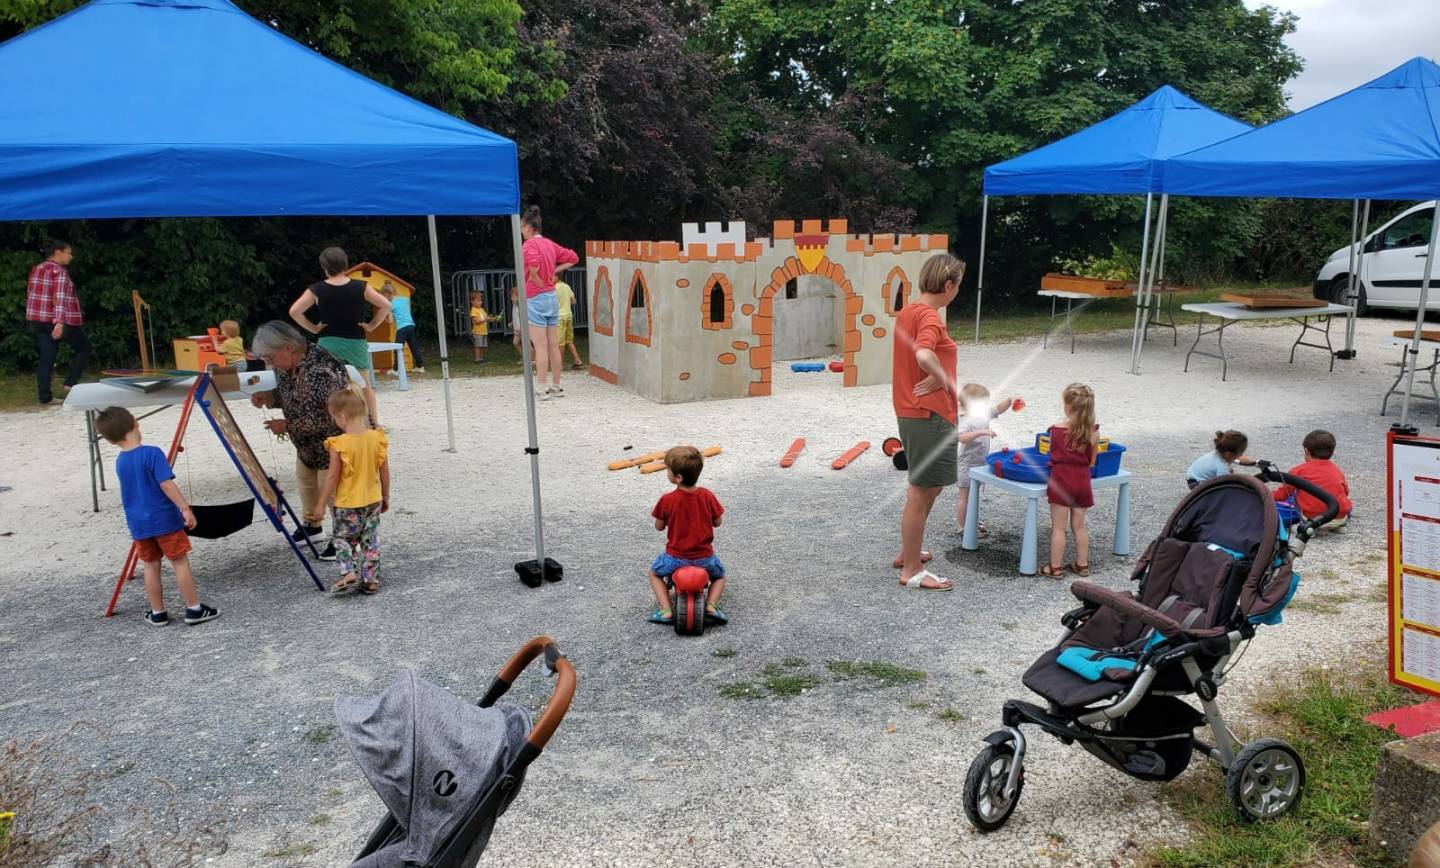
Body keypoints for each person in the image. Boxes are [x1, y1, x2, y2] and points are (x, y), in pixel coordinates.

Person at [95, 407, 219, 627]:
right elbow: (166, 484)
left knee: (150, 566)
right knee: (179, 562)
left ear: (110, 440)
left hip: (139, 524)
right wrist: (185, 508)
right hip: (164, 520)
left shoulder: (121, 461)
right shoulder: (152, 453)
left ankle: (158, 612)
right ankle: (193, 609)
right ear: (135, 423)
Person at [892, 253, 966, 591]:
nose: (958, 291)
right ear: (948, 284)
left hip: (912, 412)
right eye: (959, 285)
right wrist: (949, 384)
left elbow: (919, 356)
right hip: (929, 415)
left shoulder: (908, 311)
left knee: (926, 488)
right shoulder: (931, 318)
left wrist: (938, 376)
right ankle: (911, 570)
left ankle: (909, 551)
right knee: (921, 493)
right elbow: (923, 354)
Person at [249, 320, 352, 561]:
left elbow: (330, 419)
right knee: (307, 483)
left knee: (335, 493)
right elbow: (291, 395)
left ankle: (346, 538)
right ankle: (313, 527)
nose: (268, 363)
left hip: (334, 443)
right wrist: (270, 398)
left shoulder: (319, 370)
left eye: (270, 357)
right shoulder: (288, 365)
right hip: (307, 445)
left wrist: (286, 425)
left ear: (287, 348)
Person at [288, 246, 390, 426]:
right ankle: (373, 422)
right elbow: (385, 305)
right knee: (364, 385)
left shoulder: (316, 289)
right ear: (346, 265)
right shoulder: (361, 287)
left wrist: (313, 328)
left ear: (324, 267)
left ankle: (331, 422)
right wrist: (371, 325)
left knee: (328, 384)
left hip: (328, 341)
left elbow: (295, 311)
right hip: (355, 340)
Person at [311, 388, 390, 594]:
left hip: (348, 502)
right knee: (370, 539)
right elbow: (384, 470)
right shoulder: (376, 438)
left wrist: (320, 503)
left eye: (334, 418)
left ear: (342, 416)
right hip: (373, 499)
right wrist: (385, 495)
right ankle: (370, 580)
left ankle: (348, 572)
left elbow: (333, 476)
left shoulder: (339, 444)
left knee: (342, 539)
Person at [647, 445, 728, 625]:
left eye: (668, 470)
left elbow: (659, 527)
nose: (666, 472)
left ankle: (666, 610)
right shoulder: (707, 496)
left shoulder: (667, 500)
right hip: (704, 558)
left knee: (654, 574)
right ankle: (712, 605)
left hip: (675, 557)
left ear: (678, 477)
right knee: (720, 576)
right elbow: (718, 522)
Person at [519, 206, 580, 399]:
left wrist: (535, 275)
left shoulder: (528, 245)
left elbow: (533, 263)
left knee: (540, 345)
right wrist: (554, 270)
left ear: (529, 227)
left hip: (535, 297)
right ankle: (556, 385)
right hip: (550, 296)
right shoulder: (549, 244)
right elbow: (573, 258)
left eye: (522, 227)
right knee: (553, 344)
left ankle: (542, 387)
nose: (521, 231)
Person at [1041, 383, 1099, 579]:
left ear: (1067, 407)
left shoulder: (1055, 430)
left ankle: (1055, 567)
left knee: (1059, 527)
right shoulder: (1093, 431)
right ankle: (1082, 564)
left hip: (1061, 481)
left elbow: (1050, 454)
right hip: (1082, 481)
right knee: (1079, 526)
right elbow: (1092, 461)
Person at [25, 239, 92, 406]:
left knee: (47, 358)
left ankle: (45, 397)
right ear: (58, 252)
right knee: (83, 348)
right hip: (57, 320)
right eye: (68, 252)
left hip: (37, 320)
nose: (71, 256)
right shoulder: (59, 271)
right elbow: (59, 298)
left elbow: (32, 295)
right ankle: (71, 383)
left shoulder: (38, 268)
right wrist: (60, 322)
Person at [955, 383, 1014, 534]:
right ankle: (963, 527)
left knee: (973, 494)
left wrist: (1010, 401)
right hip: (966, 464)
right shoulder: (965, 419)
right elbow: (962, 438)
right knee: (965, 497)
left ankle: (971, 519)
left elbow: (998, 409)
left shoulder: (983, 414)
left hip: (979, 463)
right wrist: (981, 432)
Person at [1272, 429, 1353, 526]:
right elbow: (1346, 492)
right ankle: (1339, 526)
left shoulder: (1298, 470)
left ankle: (1305, 527)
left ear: (1306, 451)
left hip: (1313, 519)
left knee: (1295, 498)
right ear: (1332, 452)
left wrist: (1267, 495)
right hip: (1339, 517)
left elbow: (1283, 494)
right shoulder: (1337, 470)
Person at [380, 282, 425, 374]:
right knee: (414, 347)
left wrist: (385, 319)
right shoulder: (405, 299)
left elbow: (391, 321)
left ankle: (395, 369)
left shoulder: (389, 305)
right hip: (411, 326)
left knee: (397, 348)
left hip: (402, 328)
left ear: (387, 294)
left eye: (384, 296)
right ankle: (421, 367)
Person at [1187, 430, 1254, 488]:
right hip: (1197, 483)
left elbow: (1239, 460)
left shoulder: (1219, 452)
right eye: (1241, 453)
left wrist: (1254, 462)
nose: (1242, 455)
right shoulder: (1222, 466)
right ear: (1229, 454)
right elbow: (1223, 483)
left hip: (1192, 474)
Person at [554, 277, 584, 370]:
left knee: (560, 342)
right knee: (569, 340)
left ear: (556, 277)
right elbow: (573, 301)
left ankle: (560, 364)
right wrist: (565, 302)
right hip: (569, 316)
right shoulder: (567, 286)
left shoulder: (554, 288)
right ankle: (577, 360)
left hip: (560, 317)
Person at [470, 291, 498, 363]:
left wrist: (492, 318)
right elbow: (476, 321)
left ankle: (481, 358)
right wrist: (486, 319)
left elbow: (486, 318)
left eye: (481, 300)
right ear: (472, 301)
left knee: (482, 346)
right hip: (478, 332)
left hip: (483, 331)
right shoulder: (473, 310)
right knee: (478, 346)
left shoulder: (481, 309)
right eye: (478, 301)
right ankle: (477, 359)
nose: (480, 302)